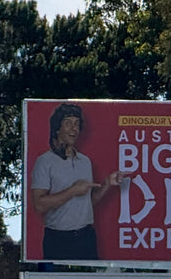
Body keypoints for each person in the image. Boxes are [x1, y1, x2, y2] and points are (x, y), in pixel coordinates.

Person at [30, 102, 125, 260]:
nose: (74, 129)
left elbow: (87, 202)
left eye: (77, 124)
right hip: (58, 240)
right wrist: (73, 191)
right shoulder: (45, 161)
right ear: (57, 128)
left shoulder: (85, 162)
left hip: (86, 237)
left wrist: (107, 183)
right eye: (68, 124)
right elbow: (39, 205)